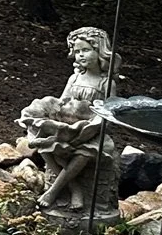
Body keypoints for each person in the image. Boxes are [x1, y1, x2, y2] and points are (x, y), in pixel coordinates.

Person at [18, 26, 116, 212]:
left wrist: (90, 129)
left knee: (85, 153)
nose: (80, 55)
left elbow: (108, 112)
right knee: (40, 143)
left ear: (100, 51)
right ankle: (74, 188)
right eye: (77, 51)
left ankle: (53, 191)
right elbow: (60, 104)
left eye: (86, 50)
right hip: (66, 128)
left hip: (90, 132)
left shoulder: (106, 83)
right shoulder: (74, 78)